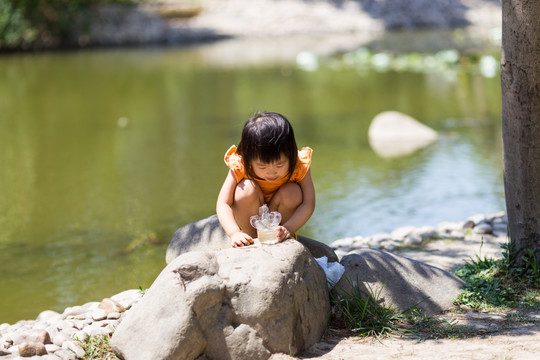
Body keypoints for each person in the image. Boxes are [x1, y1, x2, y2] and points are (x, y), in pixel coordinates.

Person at [216, 111, 315, 247]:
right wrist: (234, 233)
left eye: (280, 164)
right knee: (246, 189)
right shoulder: (241, 164)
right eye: (262, 166)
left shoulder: (299, 165)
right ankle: (249, 239)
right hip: (250, 216)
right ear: (248, 157)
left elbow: (308, 203)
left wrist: (289, 228)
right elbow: (223, 203)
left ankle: (281, 235)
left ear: (291, 154)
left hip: (280, 222)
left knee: (293, 192)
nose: (271, 172)